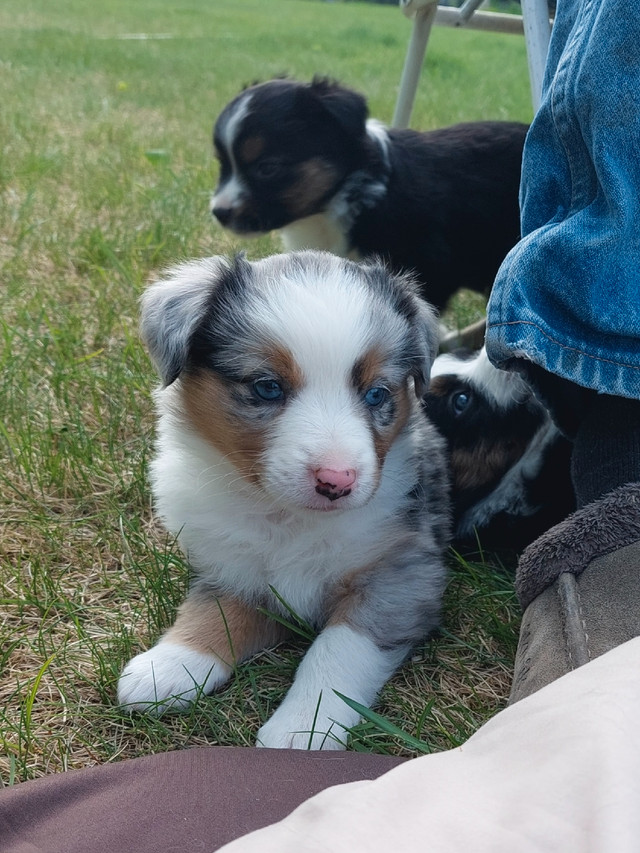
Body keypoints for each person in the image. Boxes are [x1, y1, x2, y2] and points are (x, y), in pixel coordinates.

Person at [2, 1, 639, 850]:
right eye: (266, 388)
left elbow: (397, 582)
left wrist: (321, 700)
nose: (342, 462)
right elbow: (240, 577)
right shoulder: (197, 469)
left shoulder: (389, 478)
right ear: (183, 362)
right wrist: (206, 639)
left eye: (376, 396)